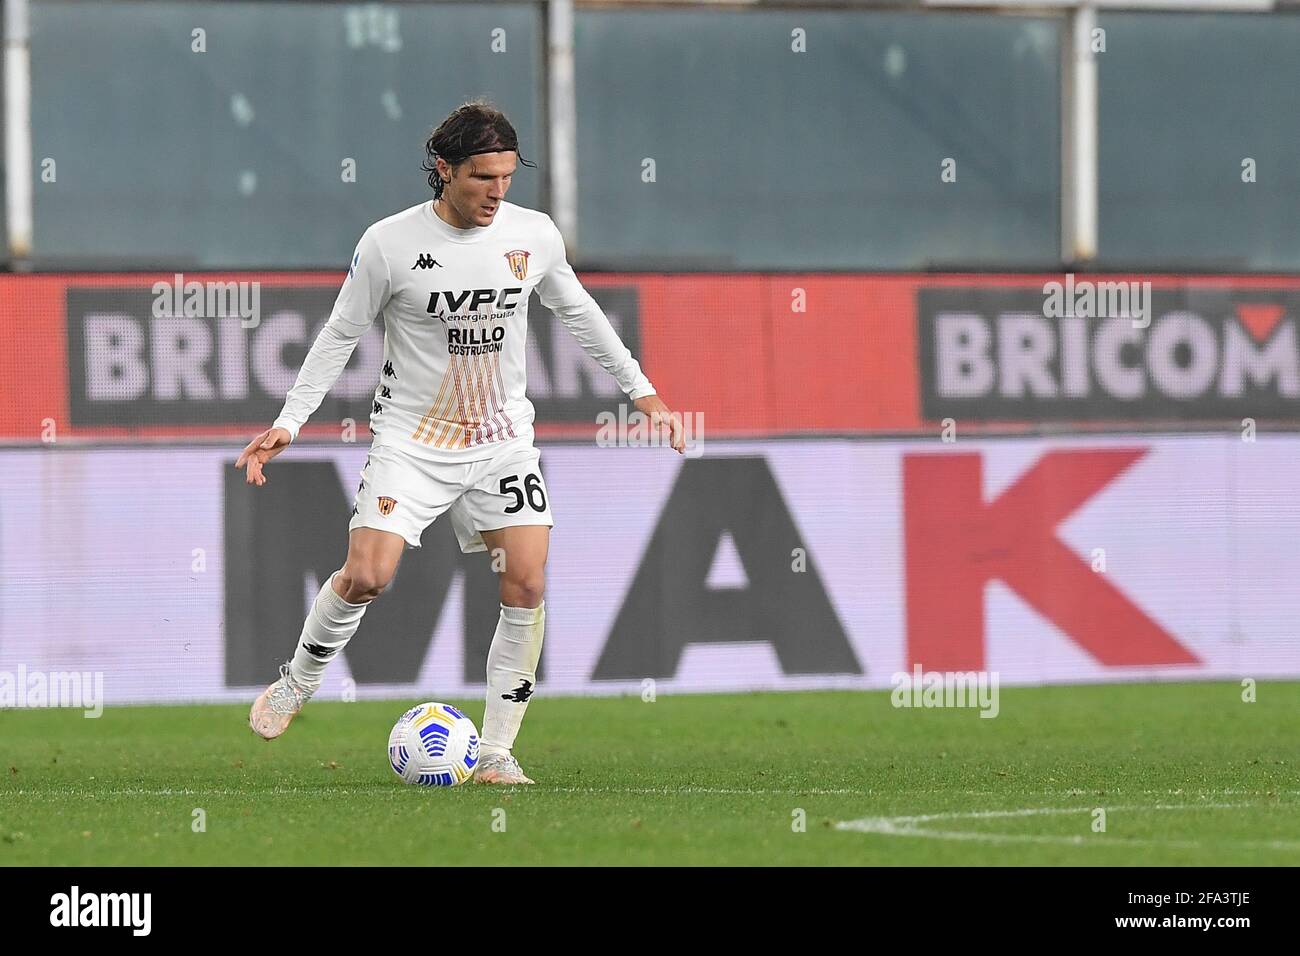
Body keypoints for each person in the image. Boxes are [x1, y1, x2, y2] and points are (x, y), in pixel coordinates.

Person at [236, 100, 683, 784]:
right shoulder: (388, 244)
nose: (497, 192)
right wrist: (289, 421)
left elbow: (579, 311)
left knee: (526, 580)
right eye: (482, 177)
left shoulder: (532, 237)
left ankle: (497, 753)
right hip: (412, 442)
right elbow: (339, 333)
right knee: (368, 576)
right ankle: (298, 680)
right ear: (443, 170)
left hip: (501, 441)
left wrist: (641, 389)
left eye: (507, 177)